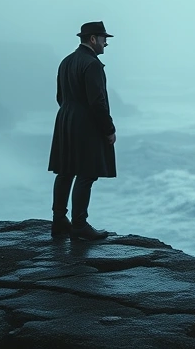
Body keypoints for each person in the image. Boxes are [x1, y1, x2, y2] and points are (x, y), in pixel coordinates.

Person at [48, 21, 117, 240]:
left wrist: (70, 115)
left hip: (65, 119)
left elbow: (60, 96)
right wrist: (109, 129)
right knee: (87, 173)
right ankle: (79, 225)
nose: (106, 43)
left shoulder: (66, 61)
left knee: (65, 171)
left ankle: (59, 220)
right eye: (104, 39)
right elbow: (97, 102)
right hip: (85, 123)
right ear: (93, 39)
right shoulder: (92, 64)